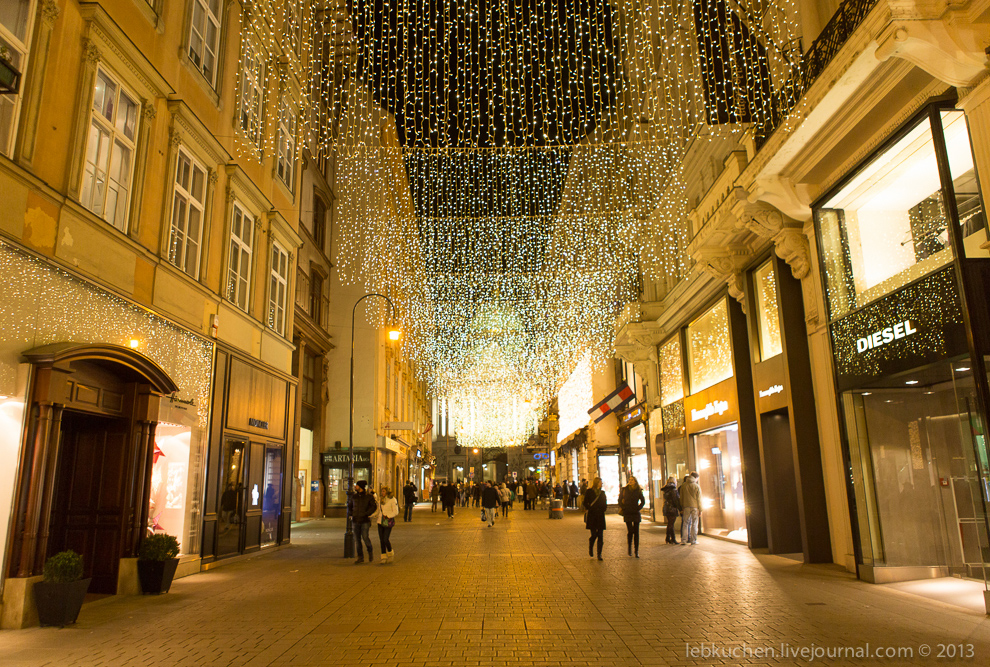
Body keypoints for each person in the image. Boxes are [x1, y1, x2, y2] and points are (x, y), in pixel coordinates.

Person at [618, 475, 646, 557]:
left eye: (632, 480)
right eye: (629, 480)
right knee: (630, 531)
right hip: (627, 512)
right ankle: (629, 548)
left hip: (635, 512)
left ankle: (636, 551)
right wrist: (623, 507)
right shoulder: (624, 490)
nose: (630, 481)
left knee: (636, 532)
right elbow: (619, 500)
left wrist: (638, 508)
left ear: (635, 481)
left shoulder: (638, 490)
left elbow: (643, 501)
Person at [352, 480, 378, 564]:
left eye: (357, 485)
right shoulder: (354, 496)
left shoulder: (369, 496)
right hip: (355, 520)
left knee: (365, 537)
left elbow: (373, 507)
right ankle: (360, 557)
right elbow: (350, 505)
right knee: (357, 539)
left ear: (360, 487)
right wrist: (351, 513)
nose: (355, 487)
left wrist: (366, 514)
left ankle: (370, 552)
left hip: (365, 520)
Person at [583, 477, 607, 560]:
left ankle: (599, 554)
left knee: (600, 535)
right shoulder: (589, 492)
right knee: (594, 534)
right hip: (592, 516)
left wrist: (603, 509)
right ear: (597, 483)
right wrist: (590, 508)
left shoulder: (602, 493)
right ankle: (591, 546)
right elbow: (585, 502)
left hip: (600, 516)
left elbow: (605, 504)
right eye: (600, 482)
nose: (601, 484)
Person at [377, 486, 399, 563]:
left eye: (383, 491)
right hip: (380, 521)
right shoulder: (381, 500)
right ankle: (383, 556)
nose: (382, 493)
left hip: (387, 521)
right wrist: (371, 515)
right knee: (381, 540)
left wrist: (388, 516)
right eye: (381, 491)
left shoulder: (392, 500)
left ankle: (390, 552)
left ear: (387, 492)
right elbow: (378, 510)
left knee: (385, 539)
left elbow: (396, 512)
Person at [679, 472, 702, 546]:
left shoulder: (683, 486)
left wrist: (682, 507)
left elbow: (681, 498)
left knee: (685, 523)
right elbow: (699, 499)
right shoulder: (696, 486)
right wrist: (700, 509)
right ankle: (693, 540)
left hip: (686, 507)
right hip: (695, 507)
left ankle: (684, 540)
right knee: (694, 523)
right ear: (696, 478)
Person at [661, 476, 681, 544]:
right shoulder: (673, 489)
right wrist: (679, 508)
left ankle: (671, 538)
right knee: (671, 524)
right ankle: (669, 538)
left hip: (666, 507)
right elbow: (676, 500)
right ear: (674, 481)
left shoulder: (666, 489)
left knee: (670, 523)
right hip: (672, 508)